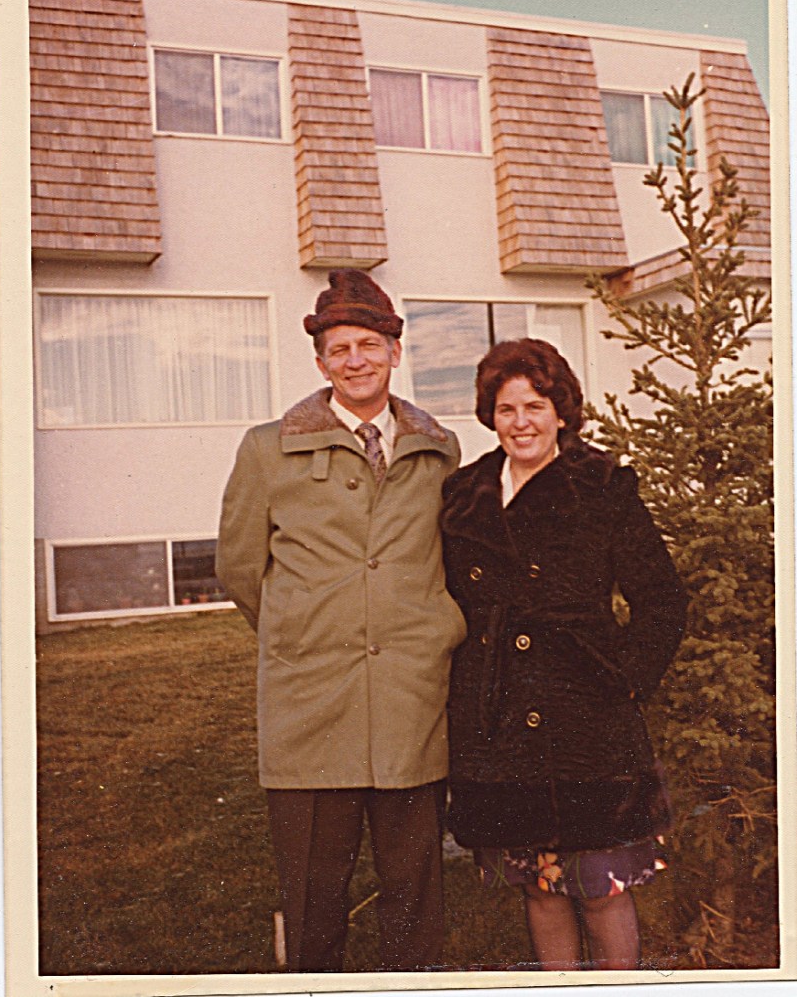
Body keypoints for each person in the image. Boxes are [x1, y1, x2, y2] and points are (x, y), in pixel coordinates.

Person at [215, 268, 466, 973]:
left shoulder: (437, 448)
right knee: (313, 896)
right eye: (337, 349)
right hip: (309, 707)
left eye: (367, 343)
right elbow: (240, 569)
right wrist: (306, 633)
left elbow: (449, 561)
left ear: (394, 348)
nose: (354, 359)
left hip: (410, 702)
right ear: (320, 361)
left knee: (413, 893)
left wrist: (420, 635)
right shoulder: (268, 449)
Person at [440, 338, 686, 971]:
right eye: (505, 408)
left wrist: (625, 679)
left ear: (562, 412)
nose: (521, 422)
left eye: (535, 406)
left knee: (602, 887)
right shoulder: (465, 495)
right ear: (489, 417)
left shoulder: (601, 486)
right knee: (539, 887)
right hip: (500, 725)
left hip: (588, 722)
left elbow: (660, 598)